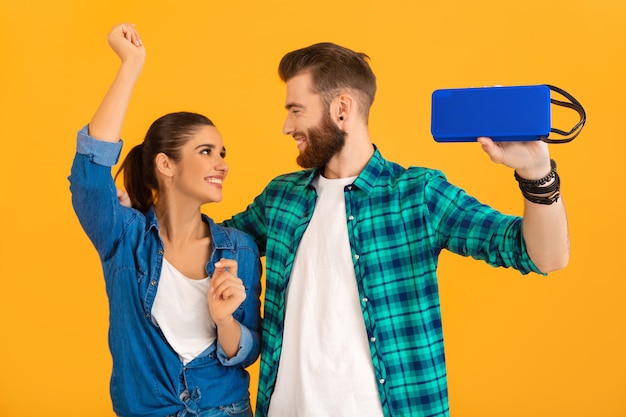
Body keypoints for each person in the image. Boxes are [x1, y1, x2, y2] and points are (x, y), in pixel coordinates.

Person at [219, 42, 570, 417]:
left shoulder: (418, 195)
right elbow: (205, 244)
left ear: (342, 109)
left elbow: (544, 255)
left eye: (296, 111)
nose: (287, 126)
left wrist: (536, 173)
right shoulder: (281, 197)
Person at [69, 23, 261, 417]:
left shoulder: (239, 246)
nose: (221, 164)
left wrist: (224, 320)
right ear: (165, 165)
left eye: (222, 153)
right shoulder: (124, 237)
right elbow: (89, 175)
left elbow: (247, 349)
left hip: (225, 409)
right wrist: (131, 65)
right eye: (206, 151)